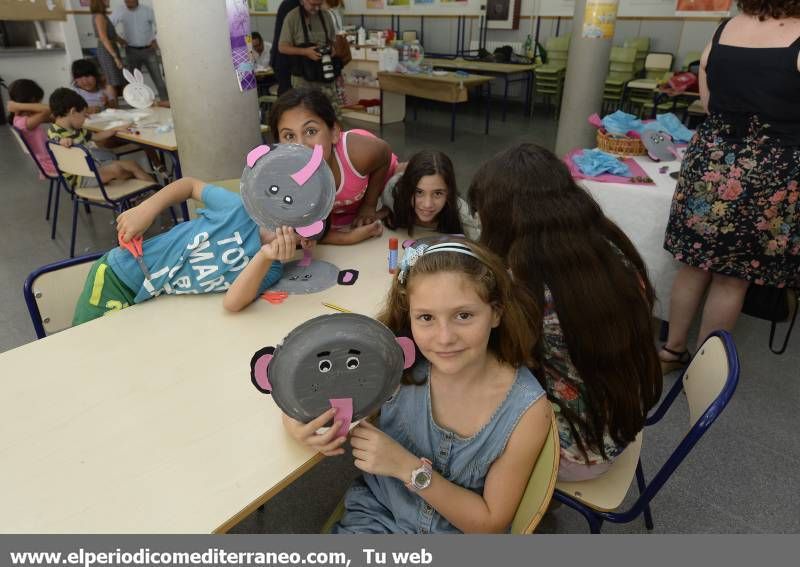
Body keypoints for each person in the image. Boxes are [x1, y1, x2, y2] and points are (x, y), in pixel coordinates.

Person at [282, 240, 552, 533]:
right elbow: (309, 389)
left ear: (496, 313)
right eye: (426, 318)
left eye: (464, 315)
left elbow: (489, 523)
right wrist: (297, 424)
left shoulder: (528, 411)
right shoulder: (391, 364)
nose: (445, 337)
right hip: (377, 520)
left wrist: (407, 467)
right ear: (408, 316)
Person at [468, 143, 662, 482]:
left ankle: (499, 500)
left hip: (578, 449)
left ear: (507, 217)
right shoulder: (607, 245)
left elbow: (488, 357)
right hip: (619, 416)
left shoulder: (528, 285)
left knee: (445, 382)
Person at [661, 0, 800, 372]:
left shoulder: (725, 29)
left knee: (692, 265)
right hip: (768, 171)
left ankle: (672, 350)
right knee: (731, 278)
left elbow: (709, 103)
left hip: (711, 159)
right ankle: (704, 368)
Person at [72, 176, 303, 325]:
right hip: (115, 278)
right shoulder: (238, 209)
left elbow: (232, 303)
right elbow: (190, 185)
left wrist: (264, 255)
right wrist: (147, 208)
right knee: (89, 351)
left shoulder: (269, 267)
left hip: (148, 301)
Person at [268, 87, 398, 245]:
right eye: (289, 136)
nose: (300, 146)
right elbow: (302, 235)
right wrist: (348, 238)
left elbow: (384, 153)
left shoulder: (359, 154)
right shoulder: (282, 181)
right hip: (342, 213)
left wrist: (369, 205)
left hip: (379, 182)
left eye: (310, 131)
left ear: (334, 132)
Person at [47, 88, 154, 188]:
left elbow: (96, 136)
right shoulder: (55, 131)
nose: (85, 119)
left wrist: (115, 129)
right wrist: (63, 141)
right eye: (84, 115)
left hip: (95, 167)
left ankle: (154, 191)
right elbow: (55, 141)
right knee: (120, 170)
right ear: (73, 112)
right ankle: (145, 189)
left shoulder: (76, 129)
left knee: (132, 164)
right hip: (82, 177)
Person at [383, 150, 480, 240]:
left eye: (438, 193)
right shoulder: (393, 194)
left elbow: (479, 248)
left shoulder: (461, 214)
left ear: (449, 192)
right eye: (419, 192)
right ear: (407, 189)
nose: (427, 204)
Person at [278, 0, 347, 115]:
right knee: (307, 116)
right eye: (313, 5)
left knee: (332, 115)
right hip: (303, 80)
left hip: (325, 77)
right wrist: (305, 52)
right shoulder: (292, 17)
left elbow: (332, 41)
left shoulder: (326, 16)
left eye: (319, 5)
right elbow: (282, 47)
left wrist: (332, 49)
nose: (316, 8)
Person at [111, 0, 168, 101]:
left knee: (159, 80)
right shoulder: (120, 11)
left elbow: (161, 25)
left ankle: (167, 104)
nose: (128, 2)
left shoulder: (147, 11)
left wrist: (156, 39)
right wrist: (118, 39)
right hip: (131, 51)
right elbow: (109, 27)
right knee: (133, 83)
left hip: (149, 50)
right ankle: (136, 105)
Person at [6, 79, 56, 178]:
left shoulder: (23, 119)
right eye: (38, 102)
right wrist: (18, 106)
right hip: (51, 164)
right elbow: (49, 109)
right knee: (89, 151)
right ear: (33, 101)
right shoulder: (25, 123)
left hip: (48, 159)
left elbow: (52, 118)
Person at [90, 0, 126, 98]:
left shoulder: (103, 15)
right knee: (111, 80)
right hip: (106, 50)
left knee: (115, 79)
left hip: (110, 48)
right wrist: (115, 57)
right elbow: (104, 38)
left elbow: (111, 35)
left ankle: (115, 106)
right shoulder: (99, 16)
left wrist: (121, 41)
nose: (108, 1)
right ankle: (114, 107)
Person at [271, 0, 301, 95]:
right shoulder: (292, 6)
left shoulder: (289, 4)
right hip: (286, 61)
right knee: (290, 98)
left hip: (283, 59)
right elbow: (283, 46)